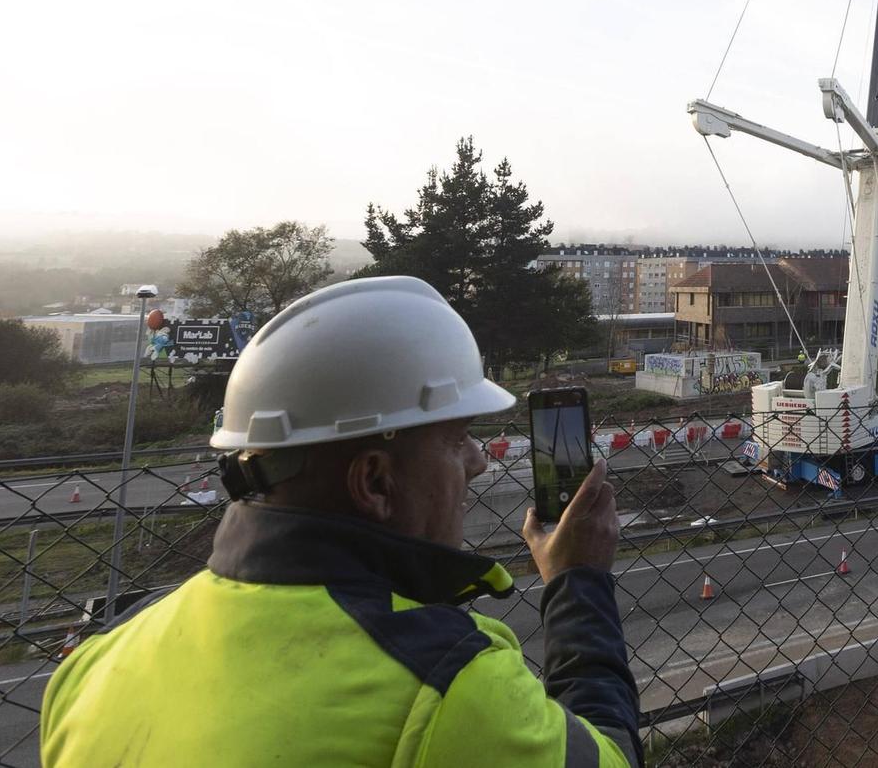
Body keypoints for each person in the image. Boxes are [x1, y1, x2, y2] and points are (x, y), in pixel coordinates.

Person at [40, 277, 639, 767]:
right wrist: (577, 581)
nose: (479, 461)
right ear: (375, 482)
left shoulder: (94, 666)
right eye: (457, 439)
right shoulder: (445, 681)